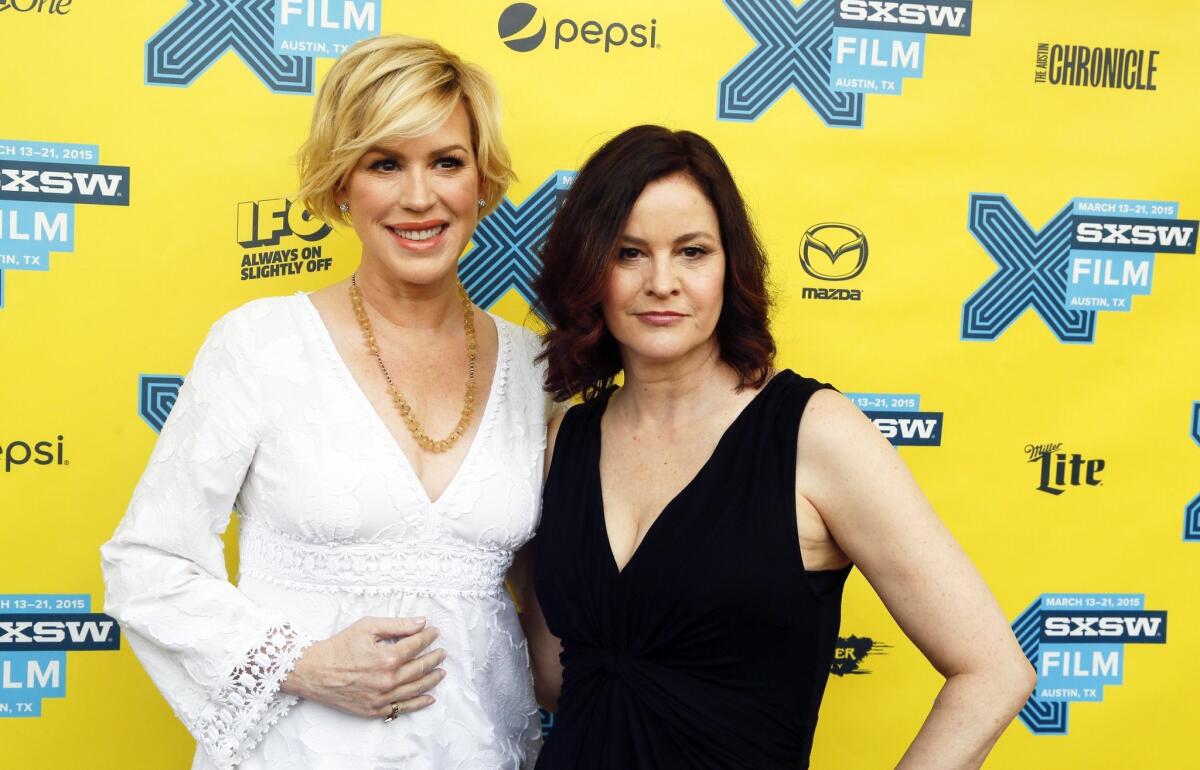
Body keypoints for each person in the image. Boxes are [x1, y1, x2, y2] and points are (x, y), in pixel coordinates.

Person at [513, 125, 1036, 769]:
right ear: (589, 268)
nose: (662, 282)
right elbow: (556, 680)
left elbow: (993, 672)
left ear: (732, 266)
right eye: (628, 253)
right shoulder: (566, 438)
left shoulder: (813, 433)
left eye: (693, 251)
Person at [101, 36, 547, 769]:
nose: (418, 197)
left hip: (478, 750)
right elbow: (146, 560)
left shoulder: (534, 368)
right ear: (341, 184)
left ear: (484, 182)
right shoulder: (260, 344)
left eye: (446, 161)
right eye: (384, 164)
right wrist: (301, 663)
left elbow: (554, 590)